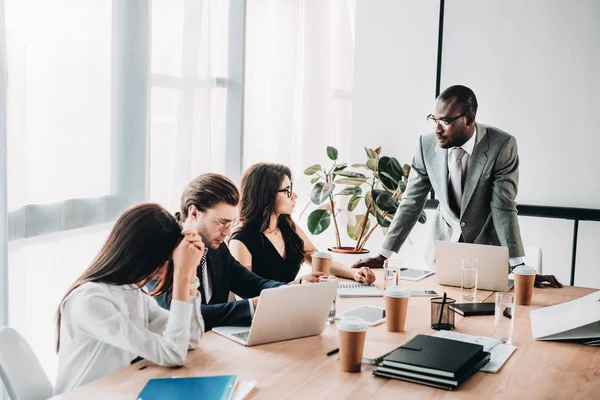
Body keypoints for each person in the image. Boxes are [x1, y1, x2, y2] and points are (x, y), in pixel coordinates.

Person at [352, 85, 562, 289]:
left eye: (444, 121)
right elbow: (412, 202)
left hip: (487, 255)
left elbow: (503, 207)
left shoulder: (501, 145)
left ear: (469, 118)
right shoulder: (425, 146)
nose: (436, 129)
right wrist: (383, 255)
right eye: (433, 120)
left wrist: (519, 267)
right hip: (443, 255)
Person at [54, 204, 205, 394]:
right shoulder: (91, 300)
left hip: (119, 390)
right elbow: (172, 353)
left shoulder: (132, 290)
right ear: (138, 256)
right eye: (162, 262)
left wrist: (190, 275)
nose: (162, 272)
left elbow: (190, 339)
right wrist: (182, 274)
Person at [150, 173, 322, 331]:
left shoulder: (216, 247)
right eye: (222, 222)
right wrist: (252, 306)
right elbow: (182, 313)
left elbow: (253, 284)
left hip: (211, 344)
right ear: (194, 213)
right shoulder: (160, 252)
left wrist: (292, 290)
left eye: (230, 223)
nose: (226, 233)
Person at [229, 163, 375, 285]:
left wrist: (354, 273)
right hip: (264, 316)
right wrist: (298, 285)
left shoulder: (287, 226)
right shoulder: (241, 241)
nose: (294, 196)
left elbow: (314, 257)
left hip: (292, 306)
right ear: (266, 196)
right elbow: (245, 297)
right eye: (287, 191)